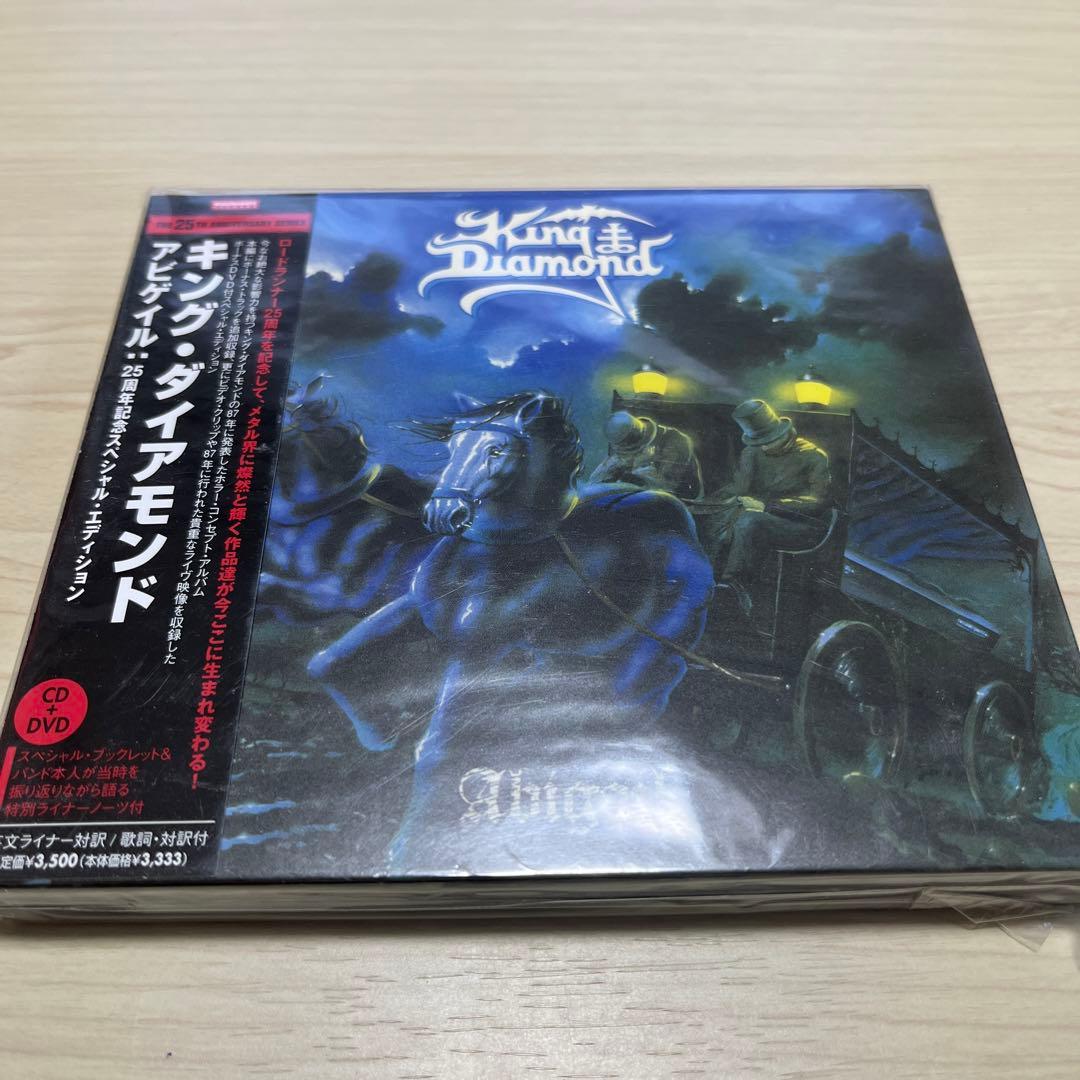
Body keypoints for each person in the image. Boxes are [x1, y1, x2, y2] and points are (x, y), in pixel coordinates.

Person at [717, 399, 832, 612]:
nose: (762, 446)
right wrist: (718, 502)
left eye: (766, 440)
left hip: (800, 526)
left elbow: (817, 502)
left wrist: (767, 507)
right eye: (757, 441)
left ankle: (734, 585)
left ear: (783, 434)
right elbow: (738, 488)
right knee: (720, 518)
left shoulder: (814, 456)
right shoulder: (752, 452)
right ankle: (707, 581)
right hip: (756, 516)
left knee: (751, 521)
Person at [589, 410, 704, 502]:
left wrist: (633, 474)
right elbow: (595, 480)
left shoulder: (676, 441)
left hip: (682, 500)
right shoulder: (624, 438)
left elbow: (669, 485)